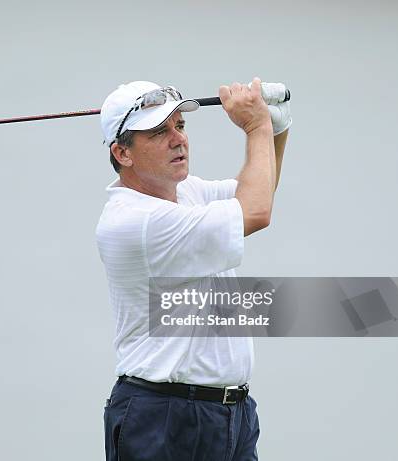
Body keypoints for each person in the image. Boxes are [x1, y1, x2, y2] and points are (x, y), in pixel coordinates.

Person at [96, 78, 291, 461]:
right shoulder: (133, 221)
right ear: (123, 153)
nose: (178, 139)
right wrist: (256, 127)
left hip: (231, 414)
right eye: (158, 132)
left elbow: (257, 190)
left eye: (180, 126)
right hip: (166, 416)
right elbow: (255, 212)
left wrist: (276, 131)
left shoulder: (187, 192)